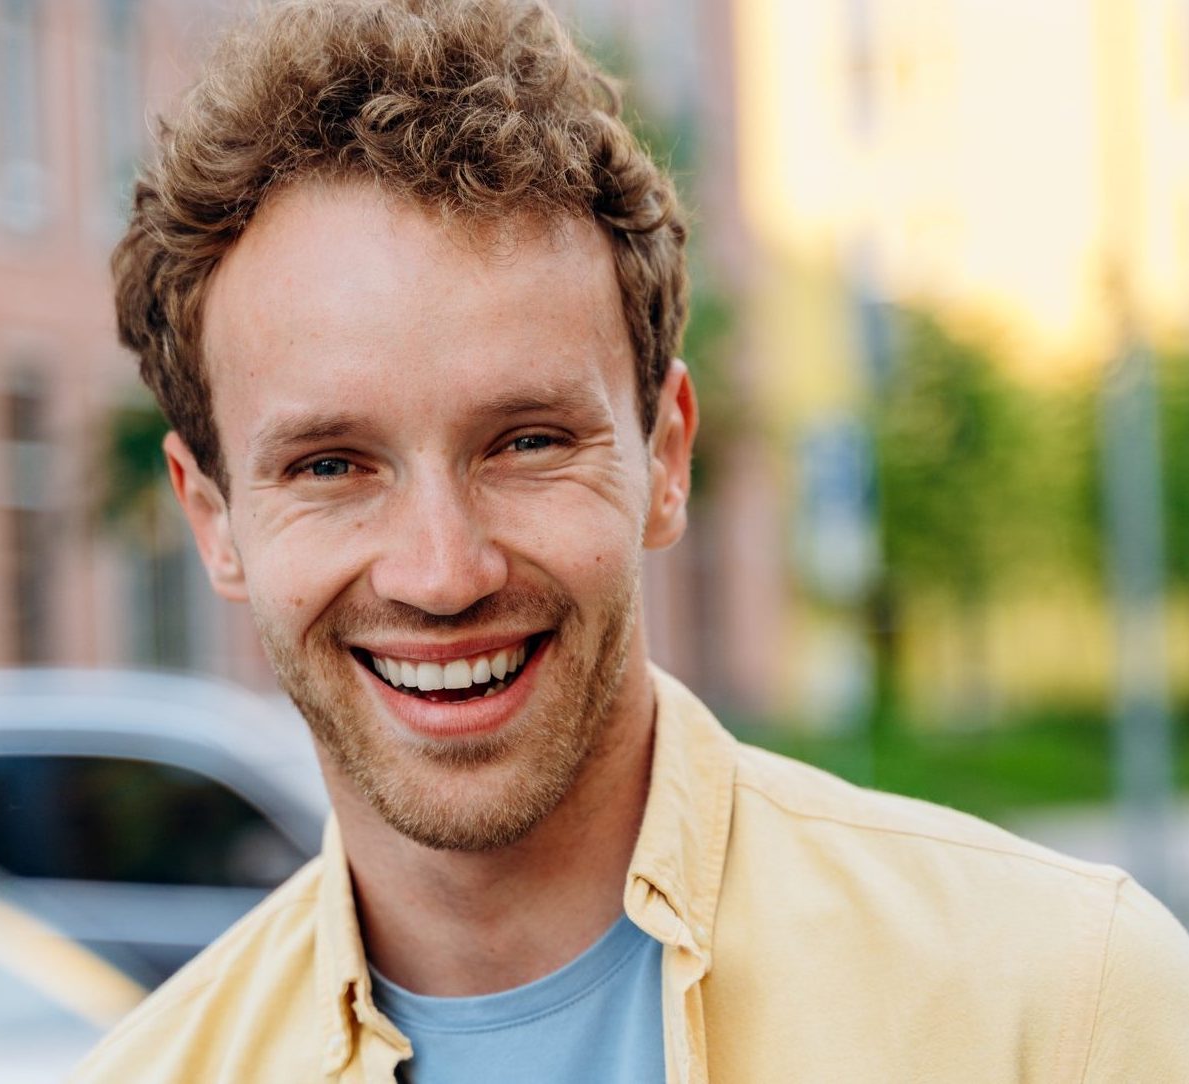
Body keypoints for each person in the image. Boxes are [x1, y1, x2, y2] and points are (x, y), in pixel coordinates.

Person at [73, 1, 1189, 1080]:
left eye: (524, 441)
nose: (443, 571)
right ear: (211, 518)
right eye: (329, 466)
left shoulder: (1062, 1008)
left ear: (665, 456)